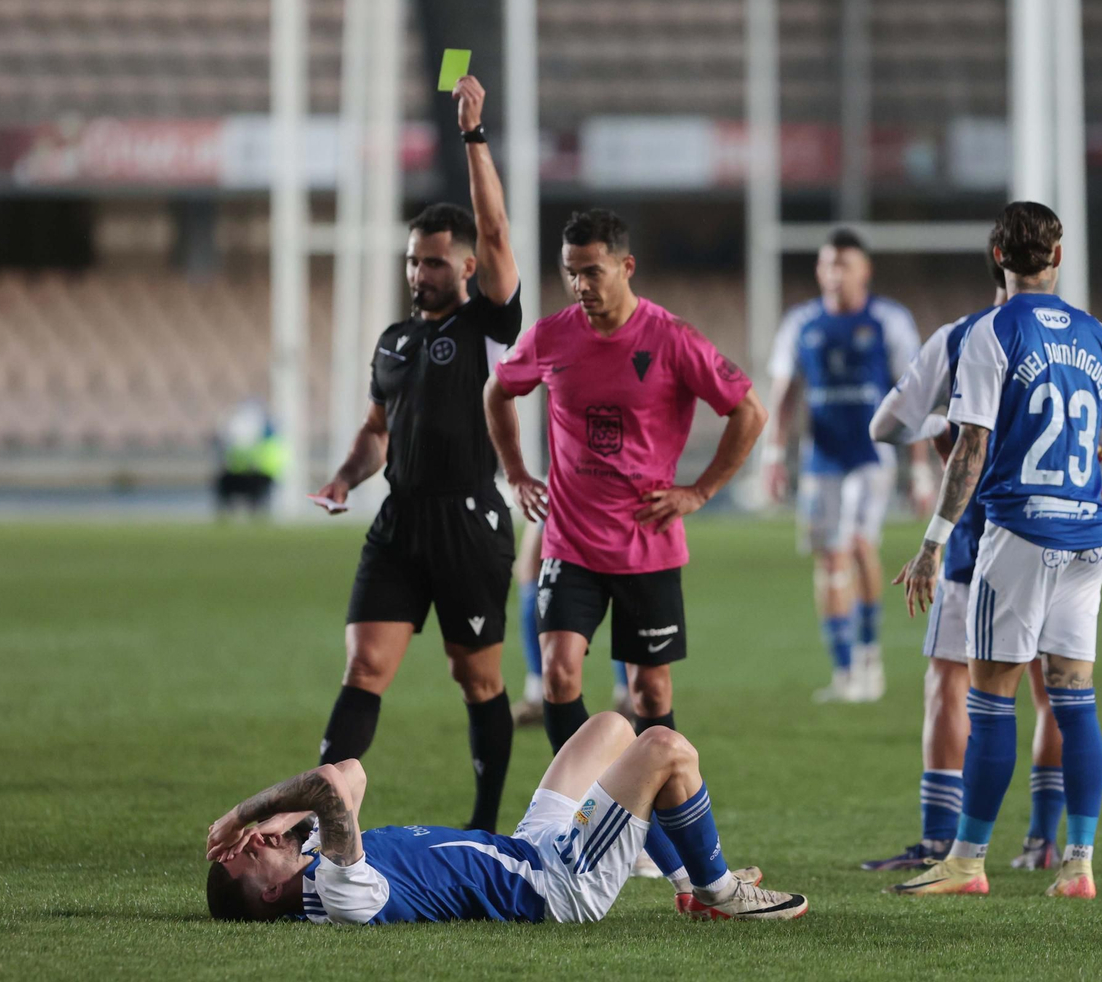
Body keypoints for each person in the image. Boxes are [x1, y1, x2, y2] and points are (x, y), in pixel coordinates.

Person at [484, 208, 767, 892]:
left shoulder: (669, 338)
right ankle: (602, 818)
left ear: (626, 266)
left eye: (593, 270)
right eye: (570, 272)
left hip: (648, 545)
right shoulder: (552, 337)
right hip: (572, 541)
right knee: (558, 676)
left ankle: (657, 832)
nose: (580, 284)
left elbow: (749, 411)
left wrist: (699, 492)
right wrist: (518, 473)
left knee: (651, 692)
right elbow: (499, 390)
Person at [864, 248, 1102, 875]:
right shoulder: (1090, 335)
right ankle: (1045, 843)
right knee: (1059, 692)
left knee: (956, 686)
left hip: (982, 537)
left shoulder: (964, 336)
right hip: (1077, 530)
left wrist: (940, 424)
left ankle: (948, 846)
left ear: (997, 263)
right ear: (1054, 259)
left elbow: (887, 425)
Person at [308, 76, 521, 832]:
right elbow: (376, 431)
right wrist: (343, 475)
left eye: (433, 261)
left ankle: (487, 827)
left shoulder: (490, 327)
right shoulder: (393, 342)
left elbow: (496, 232)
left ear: (465, 268)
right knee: (364, 667)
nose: (417, 273)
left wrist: (473, 136)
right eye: (412, 260)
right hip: (398, 522)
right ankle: (321, 816)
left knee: (477, 679)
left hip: (468, 522)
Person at [204, 714, 807, 923]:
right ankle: (719, 891)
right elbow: (333, 786)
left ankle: (686, 888)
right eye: (254, 852)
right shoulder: (339, 893)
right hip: (557, 884)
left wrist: (280, 815)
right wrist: (242, 812)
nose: (257, 839)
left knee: (612, 730)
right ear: (273, 891)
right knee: (664, 748)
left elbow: (352, 771)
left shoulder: (310, 855)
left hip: (528, 848)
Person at [761, 229, 929, 703]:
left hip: (872, 456)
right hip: (823, 458)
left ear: (864, 271)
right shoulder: (801, 323)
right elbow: (784, 395)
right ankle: (845, 671)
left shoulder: (888, 321)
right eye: (828, 264)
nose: (834, 274)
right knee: (828, 557)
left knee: (857, 545)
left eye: (844, 264)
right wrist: (774, 458)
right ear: (819, 270)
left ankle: (869, 656)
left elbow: (912, 396)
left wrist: (919, 471)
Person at [511, 521, 633, 728]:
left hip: (604, 494)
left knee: (626, 572)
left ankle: (631, 695)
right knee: (531, 570)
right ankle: (539, 692)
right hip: (559, 491)